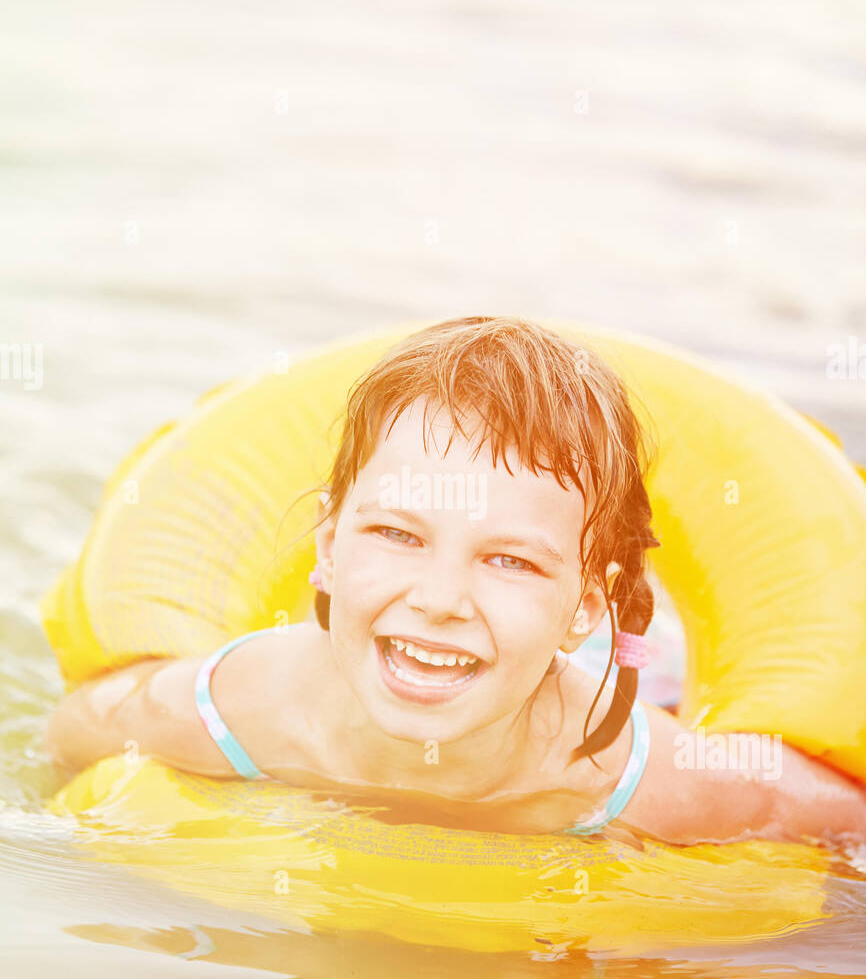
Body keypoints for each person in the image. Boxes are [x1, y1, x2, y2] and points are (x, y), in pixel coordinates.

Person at [45, 317, 866, 846]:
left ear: (587, 605)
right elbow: (77, 733)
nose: (439, 599)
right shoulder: (236, 712)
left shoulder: (637, 778)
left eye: (509, 560)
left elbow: (828, 817)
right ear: (327, 548)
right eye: (399, 535)